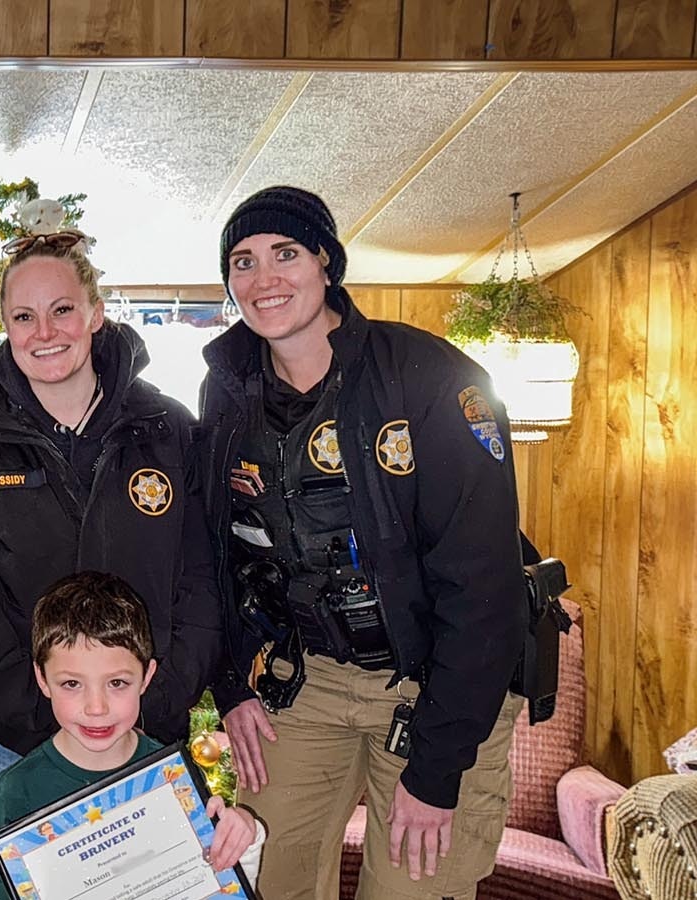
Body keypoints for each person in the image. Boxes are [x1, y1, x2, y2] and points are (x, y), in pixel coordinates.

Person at [201, 186, 528, 899]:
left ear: (326, 261)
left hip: (435, 681)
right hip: (313, 678)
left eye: (285, 254)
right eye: (243, 262)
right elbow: (217, 552)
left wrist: (438, 771)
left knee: (409, 885)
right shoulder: (226, 391)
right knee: (263, 874)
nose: (265, 279)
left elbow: (486, 591)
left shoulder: (431, 379)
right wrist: (231, 684)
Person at [0, 232, 221, 803]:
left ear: (96, 314)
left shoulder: (167, 430)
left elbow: (203, 579)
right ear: (5, 325)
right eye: (25, 316)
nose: (45, 333)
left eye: (62, 310)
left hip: (148, 730)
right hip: (23, 740)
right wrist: (44, 703)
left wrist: (155, 696)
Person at [0, 571, 260, 900]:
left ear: (146, 677)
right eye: (72, 684)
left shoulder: (173, 777)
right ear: (43, 680)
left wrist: (243, 832)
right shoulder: (16, 790)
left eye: (117, 683)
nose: (96, 707)